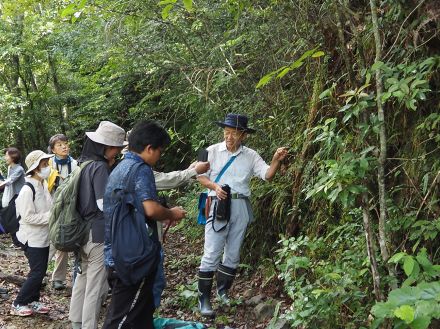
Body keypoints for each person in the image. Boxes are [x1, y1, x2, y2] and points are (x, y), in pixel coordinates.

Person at [196, 113, 288, 316]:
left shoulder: (251, 155)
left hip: (241, 206)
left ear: (244, 135)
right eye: (226, 132)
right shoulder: (211, 151)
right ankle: (204, 300)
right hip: (218, 204)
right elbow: (200, 176)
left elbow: (267, 175)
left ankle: (223, 292)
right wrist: (215, 186)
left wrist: (275, 160)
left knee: (233, 253)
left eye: (234, 133)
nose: (229, 137)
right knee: (211, 252)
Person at [103, 120, 186, 329]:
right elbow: (150, 208)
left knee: (140, 316)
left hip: (118, 252)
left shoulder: (121, 167)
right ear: (149, 148)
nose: (160, 156)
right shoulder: (141, 169)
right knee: (122, 319)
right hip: (132, 259)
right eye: (160, 151)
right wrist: (172, 213)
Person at [69, 121, 126, 329]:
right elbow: (104, 204)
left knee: (82, 280)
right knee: (95, 285)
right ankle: (88, 326)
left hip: (81, 232)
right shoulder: (100, 168)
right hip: (98, 234)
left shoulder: (83, 164)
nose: (118, 153)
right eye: (116, 149)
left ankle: (76, 322)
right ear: (106, 147)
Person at [11, 150, 54, 317]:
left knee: (40, 271)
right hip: (31, 238)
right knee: (37, 272)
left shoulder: (42, 184)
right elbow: (27, 217)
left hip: (43, 236)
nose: (47, 167)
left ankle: (33, 299)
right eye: (44, 164)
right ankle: (18, 302)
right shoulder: (27, 189)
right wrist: (51, 217)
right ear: (35, 168)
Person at [47, 134, 78, 290]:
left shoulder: (74, 163)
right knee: (48, 242)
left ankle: (58, 278)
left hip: (68, 210)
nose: (64, 147)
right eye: (59, 145)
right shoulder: (48, 163)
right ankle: (37, 274)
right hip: (50, 209)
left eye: (66, 143)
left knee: (63, 241)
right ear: (53, 149)